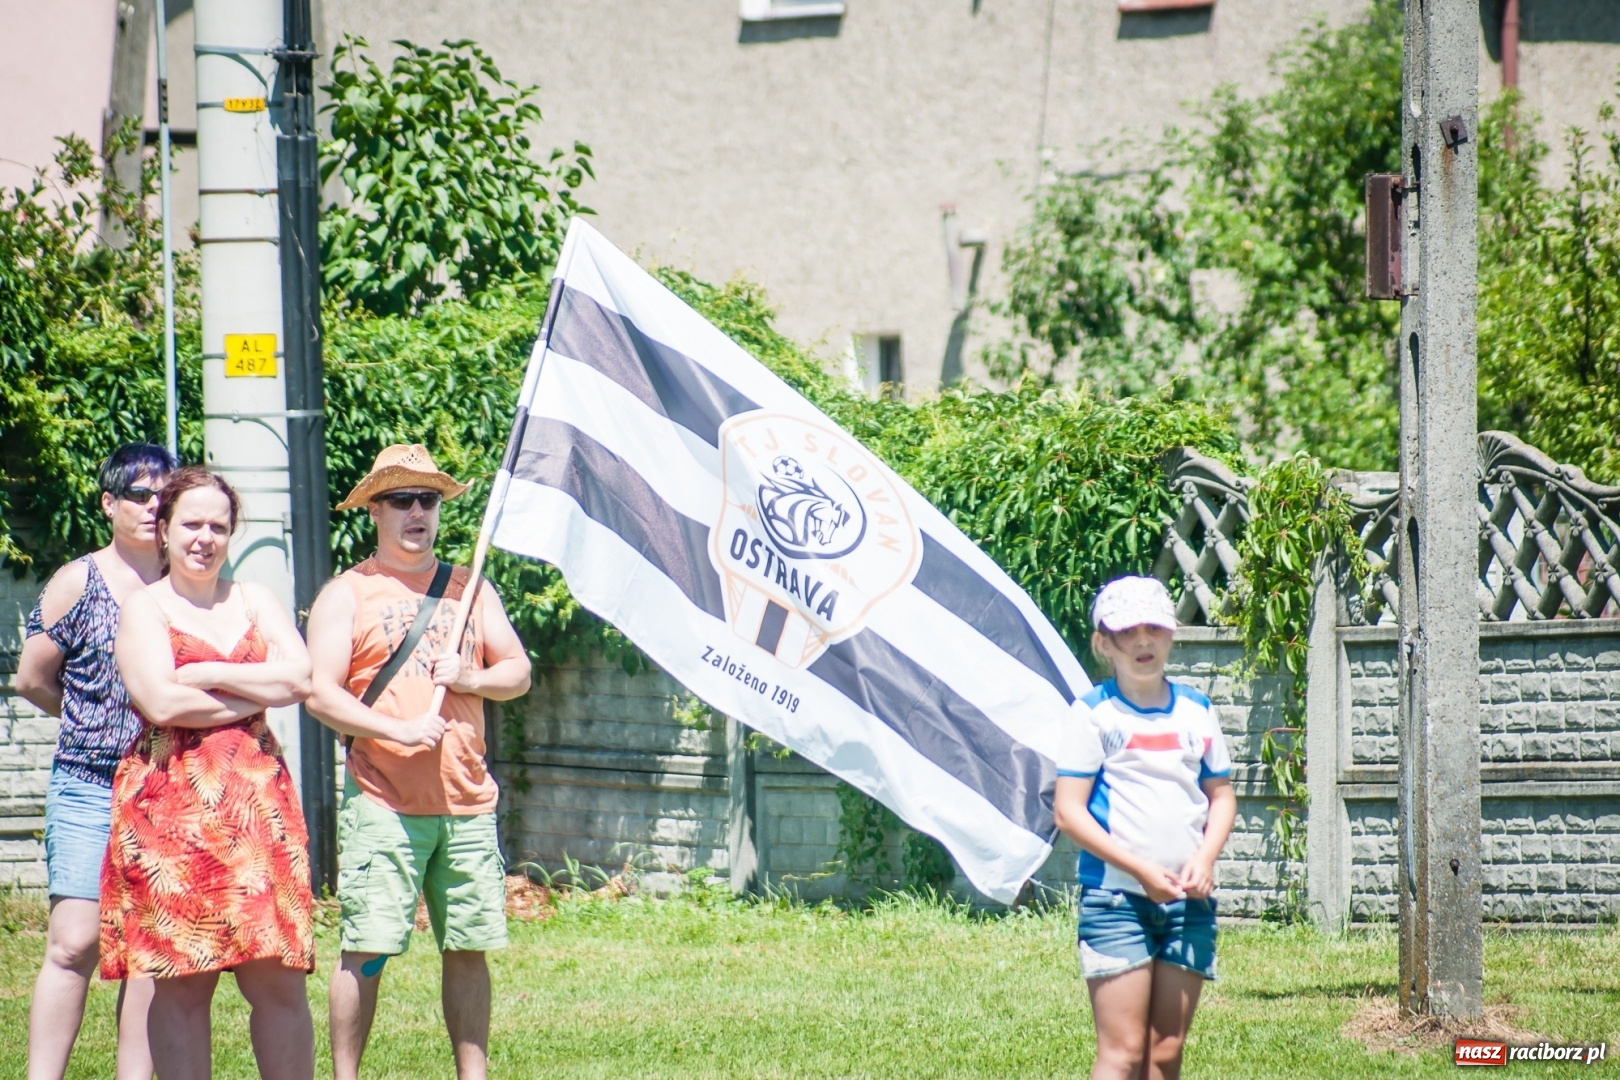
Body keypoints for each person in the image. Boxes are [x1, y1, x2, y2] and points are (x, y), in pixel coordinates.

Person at [305, 444, 531, 1080]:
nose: (416, 512)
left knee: (468, 950)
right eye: (401, 500)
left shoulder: (469, 587)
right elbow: (320, 694)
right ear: (374, 510)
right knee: (368, 950)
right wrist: (397, 729)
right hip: (385, 801)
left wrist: (471, 675)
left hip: (466, 803)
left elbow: (518, 672)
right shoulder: (348, 593)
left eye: (427, 499)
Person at [103, 467, 316, 1080]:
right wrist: (257, 691)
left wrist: (202, 675)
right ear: (164, 530)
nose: (205, 537)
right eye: (190, 523)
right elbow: (162, 705)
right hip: (172, 818)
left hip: (261, 820)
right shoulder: (143, 609)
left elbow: (300, 678)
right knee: (182, 991)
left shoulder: (255, 598)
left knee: (279, 984)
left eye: (218, 526)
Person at [18, 444, 175, 1080]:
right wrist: (88, 720)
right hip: (88, 783)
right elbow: (31, 678)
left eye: (163, 495)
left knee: (147, 951)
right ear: (109, 503)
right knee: (74, 941)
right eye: (138, 495)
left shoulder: (183, 583)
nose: (152, 507)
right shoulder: (78, 581)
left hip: (166, 785)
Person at [1052, 575, 1237, 1080]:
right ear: (1103, 643)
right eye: (1127, 630)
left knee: (1164, 1051)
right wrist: (1142, 871)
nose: (1142, 640)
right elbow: (1069, 812)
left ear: (1171, 636)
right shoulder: (1091, 715)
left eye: (1154, 627)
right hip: (1116, 903)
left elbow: (1221, 797)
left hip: (1187, 906)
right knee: (1124, 1052)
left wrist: (1204, 860)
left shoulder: (1197, 711)